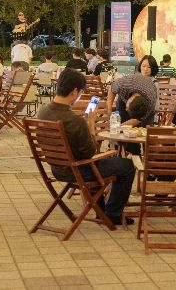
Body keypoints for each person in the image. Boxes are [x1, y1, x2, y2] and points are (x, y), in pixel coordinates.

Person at [37, 68, 135, 225]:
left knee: (99, 164)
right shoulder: (75, 121)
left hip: (56, 168)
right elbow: (90, 152)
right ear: (75, 91)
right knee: (126, 166)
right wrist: (90, 123)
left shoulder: (43, 112)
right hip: (76, 170)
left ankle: (101, 211)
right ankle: (113, 213)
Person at [106, 55, 158, 127]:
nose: (146, 69)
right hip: (127, 91)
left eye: (149, 67)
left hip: (145, 102)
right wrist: (109, 109)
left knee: (143, 126)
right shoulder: (126, 83)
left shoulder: (150, 100)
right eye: (143, 66)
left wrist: (119, 127)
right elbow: (112, 88)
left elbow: (138, 119)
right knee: (121, 111)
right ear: (129, 100)